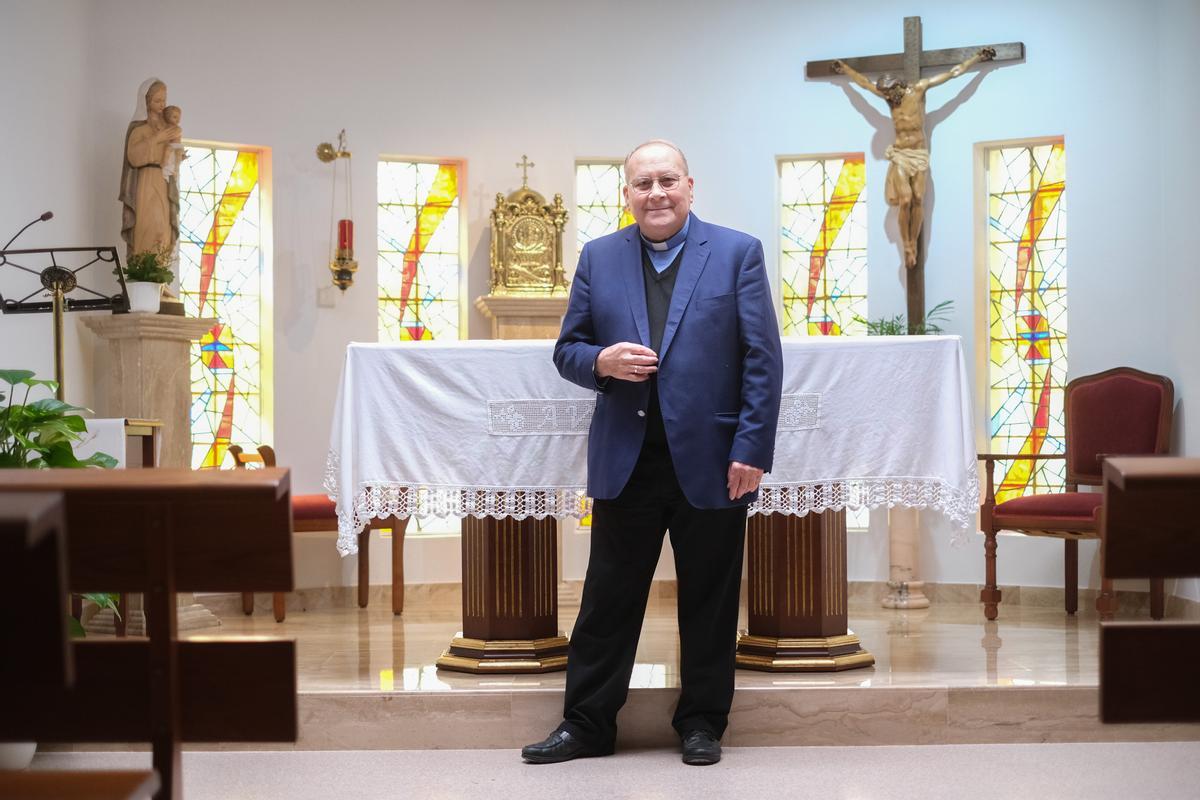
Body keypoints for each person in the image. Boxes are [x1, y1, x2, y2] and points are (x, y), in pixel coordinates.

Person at [522, 140, 783, 766]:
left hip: (716, 461)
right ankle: (586, 725)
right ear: (627, 195)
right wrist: (603, 362)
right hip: (627, 458)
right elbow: (568, 351)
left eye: (667, 181)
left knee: (710, 599)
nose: (656, 193)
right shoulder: (599, 256)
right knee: (607, 600)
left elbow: (762, 360)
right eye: (643, 184)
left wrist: (750, 447)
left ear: (690, 187)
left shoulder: (737, 253)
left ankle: (701, 724)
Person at [833, 47, 995, 267]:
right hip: (900, 155)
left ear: (898, 86)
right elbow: (863, 83)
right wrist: (845, 69)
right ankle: (907, 245)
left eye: (891, 93)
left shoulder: (918, 90)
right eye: (886, 95)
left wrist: (978, 59)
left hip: (919, 155)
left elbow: (954, 73)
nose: (888, 99)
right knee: (906, 199)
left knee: (918, 198)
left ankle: (914, 244)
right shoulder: (889, 98)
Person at [119, 78, 182, 258]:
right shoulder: (139, 129)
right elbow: (133, 157)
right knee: (148, 224)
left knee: (164, 226)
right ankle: (143, 267)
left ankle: (160, 268)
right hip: (146, 181)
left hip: (164, 182)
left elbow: (171, 156)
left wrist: (178, 157)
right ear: (146, 101)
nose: (162, 104)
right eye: (157, 100)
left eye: (164, 99)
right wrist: (157, 138)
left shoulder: (170, 128)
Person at [160, 105, 185, 181]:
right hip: (171, 146)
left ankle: (176, 170)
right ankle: (164, 164)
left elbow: (171, 135)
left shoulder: (177, 128)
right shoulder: (165, 128)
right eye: (175, 117)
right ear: (167, 117)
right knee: (168, 152)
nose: (178, 120)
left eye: (179, 117)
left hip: (177, 146)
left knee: (177, 156)